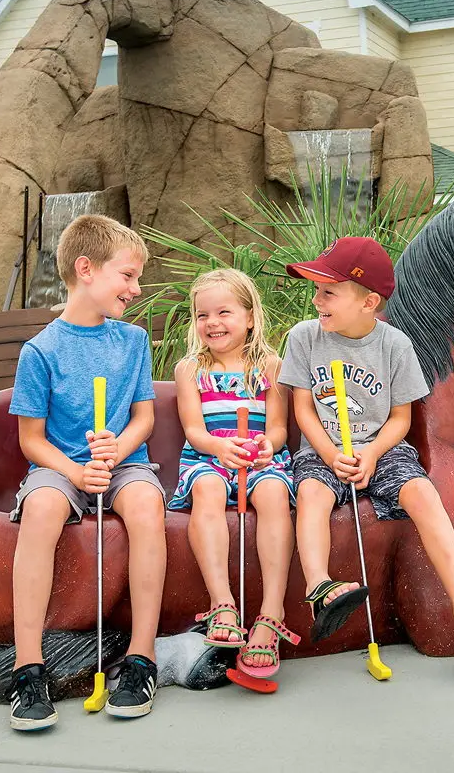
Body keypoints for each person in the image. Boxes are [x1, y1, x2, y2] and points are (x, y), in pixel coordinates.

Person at [279, 236, 454, 684]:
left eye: (329, 291)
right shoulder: (304, 338)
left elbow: (401, 418)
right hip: (322, 449)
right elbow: (303, 409)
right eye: (316, 289)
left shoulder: (395, 345)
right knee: (310, 493)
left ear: (368, 302)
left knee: (422, 492)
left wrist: (370, 452)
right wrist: (330, 453)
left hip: (381, 449)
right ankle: (319, 588)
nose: (316, 300)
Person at [8, 215, 167, 730]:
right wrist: (75, 473)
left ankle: (141, 659)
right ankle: (27, 668)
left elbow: (143, 417)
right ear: (86, 269)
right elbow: (31, 440)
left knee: (146, 504)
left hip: (122, 463)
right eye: (127, 275)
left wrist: (116, 449)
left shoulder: (133, 341)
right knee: (41, 508)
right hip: (60, 467)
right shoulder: (40, 352)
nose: (135, 288)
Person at [169, 269, 298, 680]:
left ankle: (271, 612)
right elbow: (194, 430)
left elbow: (277, 427)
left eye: (224, 312)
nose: (212, 322)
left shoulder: (271, 366)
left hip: (259, 460)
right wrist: (220, 448)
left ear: (250, 317)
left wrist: (266, 447)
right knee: (206, 489)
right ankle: (222, 603)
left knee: (275, 493)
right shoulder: (191, 369)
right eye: (202, 315)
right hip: (209, 457)